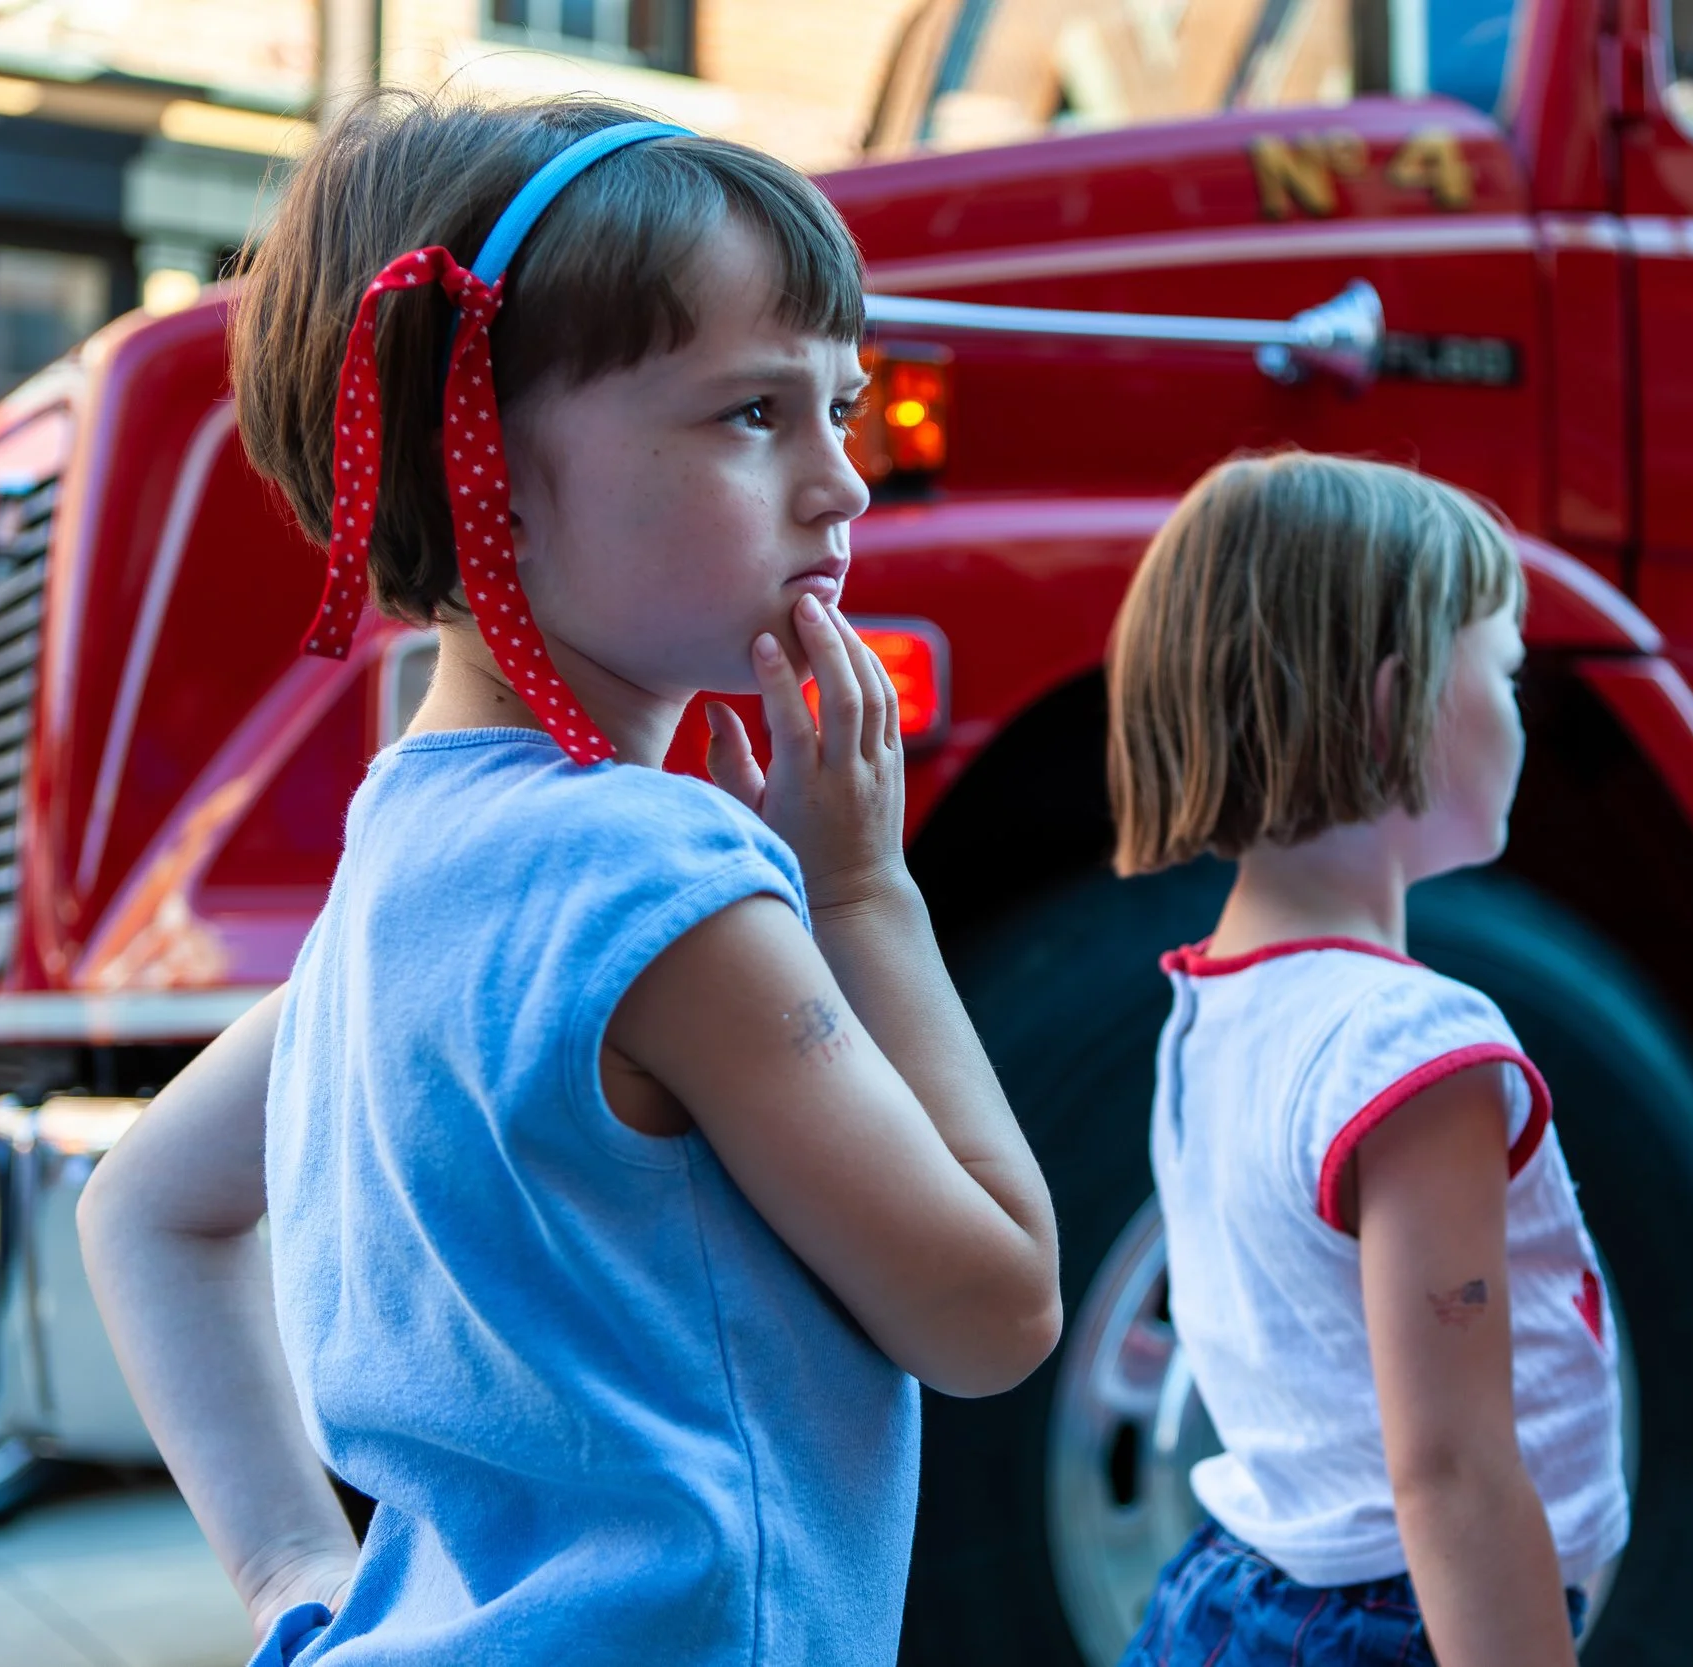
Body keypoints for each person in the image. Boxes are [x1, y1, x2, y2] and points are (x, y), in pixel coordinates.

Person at [74, 91, 1061, 1667]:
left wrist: (289, 1578)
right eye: (754, 413)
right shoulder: (661, 888)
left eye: (843, 405)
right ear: (484, 475)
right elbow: (995, 1310)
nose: (843, 483)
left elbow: (138, 1204)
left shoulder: (404, 863)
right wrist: (865, 893)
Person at [1104, 452, 1628, 1667]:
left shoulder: (1213, 1006)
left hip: (1230, 1589)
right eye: (1504, 669)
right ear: (1398, 706)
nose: (1524, 709)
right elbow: (1450, 1470)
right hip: (1390, 1623)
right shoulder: (1412, 1048)